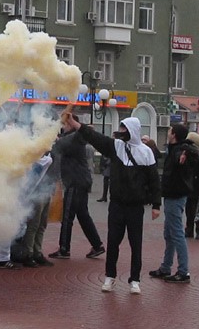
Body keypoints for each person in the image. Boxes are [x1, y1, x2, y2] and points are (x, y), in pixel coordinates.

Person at [62, 115, 161, 294]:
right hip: (116, 205)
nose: (121, 132)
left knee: (135, 243)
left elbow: (154, 180)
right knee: (113, 241)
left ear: (133, 131)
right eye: (121, 128)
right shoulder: (117, 146)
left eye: (124, 129)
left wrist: (156, 205)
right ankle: (110, 276)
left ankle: (135, 280)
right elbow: (95, 137)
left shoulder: (146, 152)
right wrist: (75, 124)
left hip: (135, 207)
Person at [48, 115, 105, 261]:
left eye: (66, 123)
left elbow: (58, 147)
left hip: (75, 182)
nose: (63, 126)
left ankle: (64, 248)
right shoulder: (73, 137)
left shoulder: (74, 138)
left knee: (67, 216)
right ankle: (97, 245)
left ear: (72, 125)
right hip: (80, 181)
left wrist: (53, 139)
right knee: (83, 215)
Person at [149, 123, 199, 284]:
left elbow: (194, 152)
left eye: (170, 131)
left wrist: (186, 153)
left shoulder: (181, 149)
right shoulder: (174, 148)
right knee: (169, 234)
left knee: (176, 233)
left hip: (175, 195)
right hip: (171, 194)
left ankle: (183, 271)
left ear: (174, 134)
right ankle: (166, 267)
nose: (168, 132)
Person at [184, 132, 199, 240]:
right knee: (189, 210)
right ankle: (189, 229)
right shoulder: (187, 154)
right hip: (188, 186)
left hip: (198, 186)